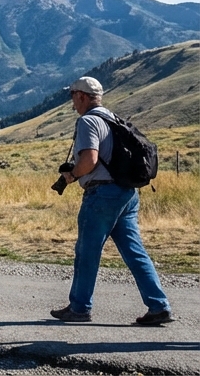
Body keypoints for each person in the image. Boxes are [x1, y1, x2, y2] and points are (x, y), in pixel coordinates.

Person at [50, 77, 173, 325]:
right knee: (134, 252)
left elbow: (90, 160)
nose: (72, 101)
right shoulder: (113, 118)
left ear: (82, 96)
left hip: (102, 195)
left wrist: (72, 175)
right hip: (126, 193)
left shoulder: (88, 121)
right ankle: (158, 305)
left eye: (73, 95)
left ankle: (80, 308)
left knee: (87, 252)